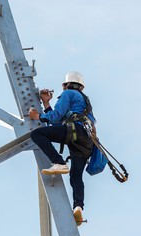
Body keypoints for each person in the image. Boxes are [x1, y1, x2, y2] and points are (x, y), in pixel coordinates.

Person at [29, 71, 96, 226]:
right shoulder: (84, 101)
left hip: (74, 132)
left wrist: (37, 117)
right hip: (86, 141)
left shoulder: (68, 94)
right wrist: (46, 104)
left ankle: (58, 162)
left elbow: (56, 118)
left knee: (37, 134)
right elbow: (58, 123)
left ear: (65, 85)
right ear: (81, 86)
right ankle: (78, 206)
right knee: (75, 175)